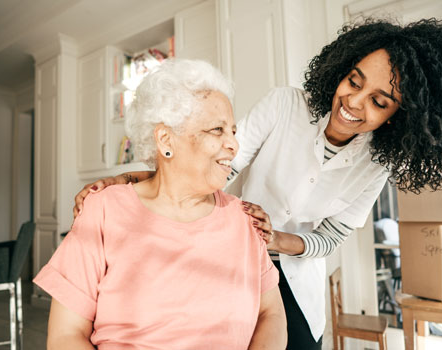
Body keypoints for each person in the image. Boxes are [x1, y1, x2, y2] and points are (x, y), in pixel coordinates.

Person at [73, 19, 442, 349]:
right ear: (341, 71)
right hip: (232, 259)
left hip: (298, 278)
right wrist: (142, 180)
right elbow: (222, 164)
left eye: (379, 101)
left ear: (398, 116)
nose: (354, 102)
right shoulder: (285, 105)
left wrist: (279, 239)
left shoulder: (375, 164)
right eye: (354, 81)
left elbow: (333, 235)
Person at [34, 59, 287, 350]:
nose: (234, 145)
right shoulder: (102, 210)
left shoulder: (245, 219)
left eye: (233, 131)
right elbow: (66, 335)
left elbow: (272, 314)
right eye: (217, 130)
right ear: (166, 139)